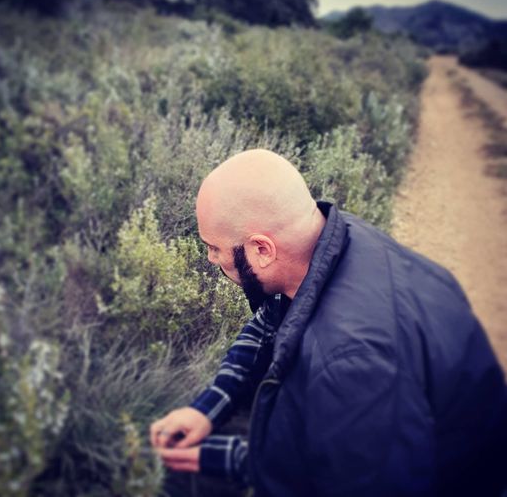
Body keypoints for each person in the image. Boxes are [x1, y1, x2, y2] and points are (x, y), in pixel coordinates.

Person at [151, 149, 507, 496]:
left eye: (214, 247)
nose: (210, 258)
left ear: (262, 250)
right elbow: (269, 321)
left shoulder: (349, 364)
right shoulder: (331, 239)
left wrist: (234, 460)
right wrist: (212, 405)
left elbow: (351, 482)